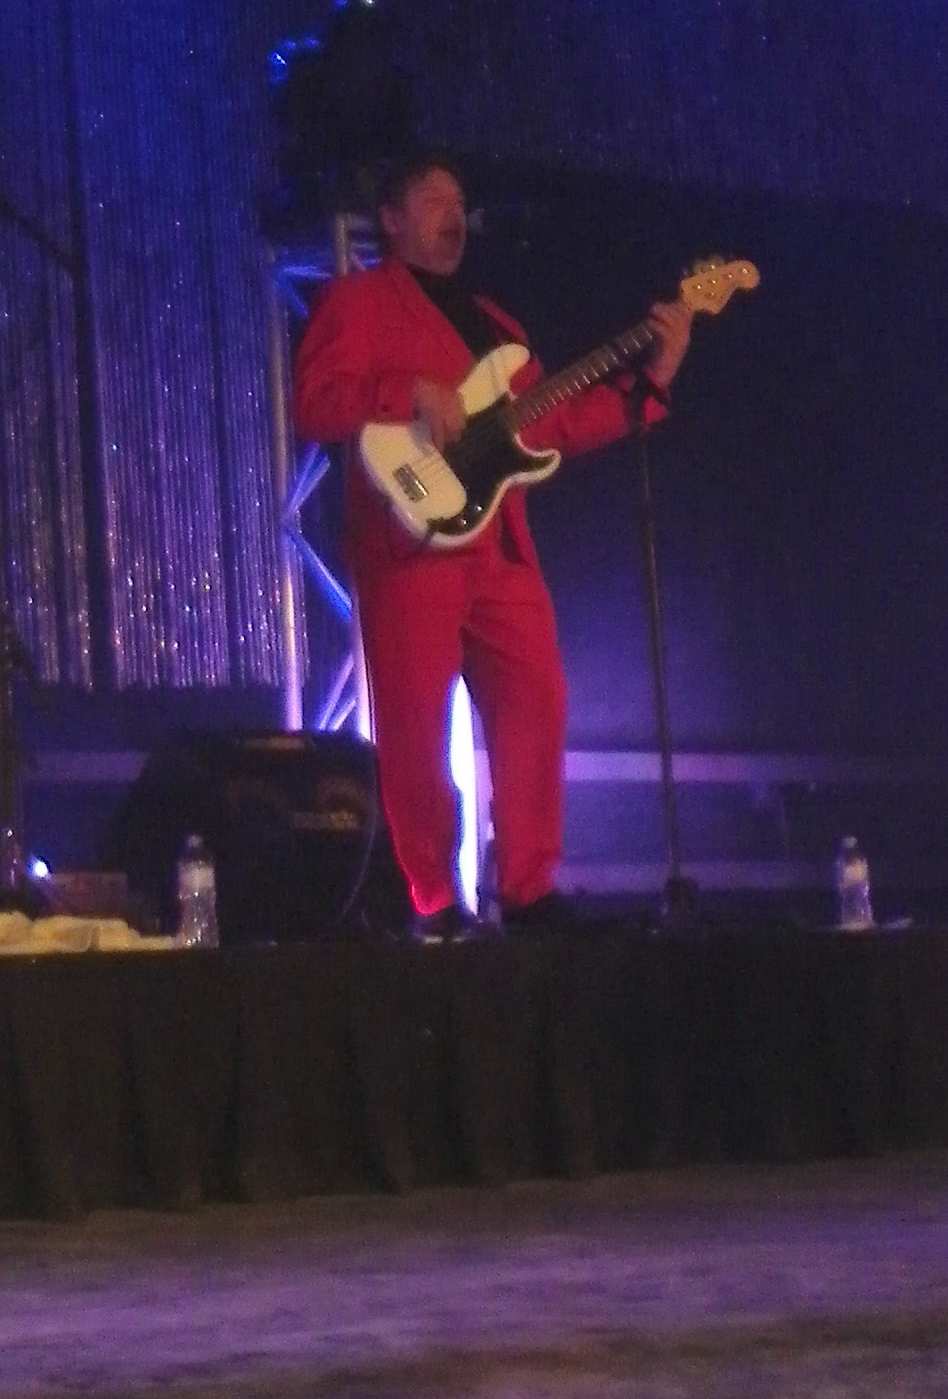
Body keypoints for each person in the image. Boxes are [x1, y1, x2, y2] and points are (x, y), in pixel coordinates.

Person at [290, 149, 692, 932]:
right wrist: (405, 392)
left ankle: (530, 888)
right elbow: (316, 403)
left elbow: (555, 424)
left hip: (501, 550)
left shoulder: (498, 327)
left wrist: (655, 379)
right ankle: (436, 900)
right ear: (391, 219)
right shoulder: (358, 301)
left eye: (458, 200)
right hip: (410, 548)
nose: (453, 214)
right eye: (433, 199)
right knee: (415, 728)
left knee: (537, 700)